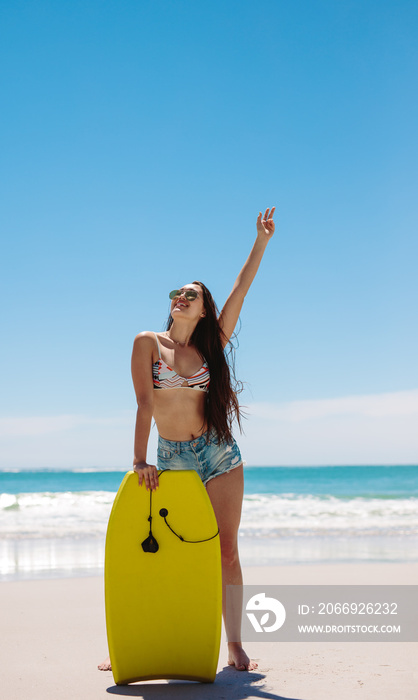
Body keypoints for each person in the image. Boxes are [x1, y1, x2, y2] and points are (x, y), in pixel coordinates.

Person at [98, 207, 276, 673]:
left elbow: (241, 290)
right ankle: (138, 641)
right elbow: (143, 404)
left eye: (191, 294)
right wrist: (140, 460)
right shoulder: (147, 343)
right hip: (171, 457)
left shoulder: (211, 342)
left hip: (218, 453)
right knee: (169, 556)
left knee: (226, 551)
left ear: (203, 308)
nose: (181, 296)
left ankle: (234, 645)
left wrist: (260, 242)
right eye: (178, 291)